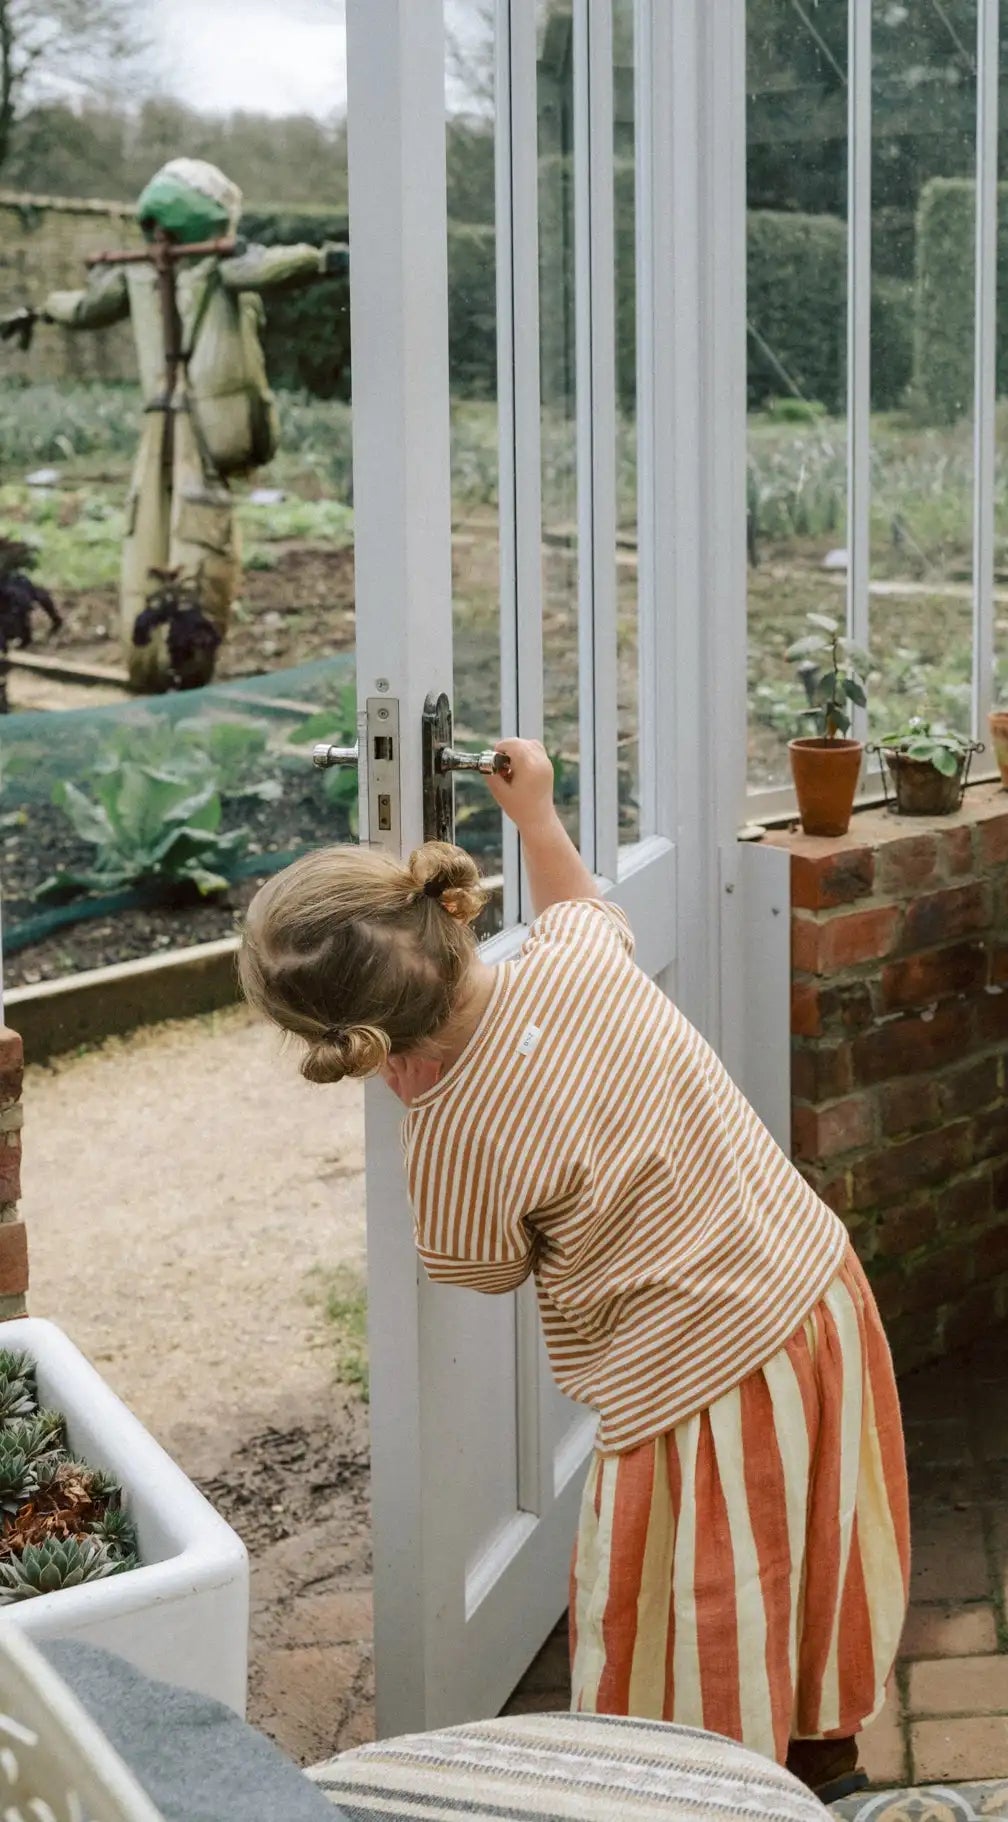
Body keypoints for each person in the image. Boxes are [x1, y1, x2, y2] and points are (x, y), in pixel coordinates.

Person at [238, 738, 910, 1803]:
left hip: (693, 1382)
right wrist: (537, 814)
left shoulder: (450, 1131)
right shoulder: (574, 963)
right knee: (811, 1542)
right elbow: (579, 903)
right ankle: (825, 1755)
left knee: (703, 1603)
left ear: (364, 1050)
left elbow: (479, 1268)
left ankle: (701, 1788)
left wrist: (425, 1105)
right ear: (449, 919)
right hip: (812, 1286)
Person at [0, 158, 347, 693]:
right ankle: (181, 664)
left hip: (164, 425)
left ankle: (154, 664)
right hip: (205, 433)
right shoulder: (216, 265)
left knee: (150, 534)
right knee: (195, 543)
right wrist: (324, 258)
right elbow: (270, 268)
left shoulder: (139, 272)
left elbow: (85, 306)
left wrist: (39, 310)